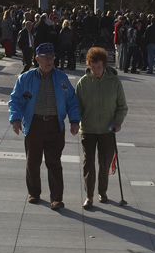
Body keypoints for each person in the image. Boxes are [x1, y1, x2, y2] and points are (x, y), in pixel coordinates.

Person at [8, 43, 81, 211]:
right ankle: (34, 193)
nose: (50, 61)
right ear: (37, 59)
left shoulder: (62, 78)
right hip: (34, 124)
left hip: (55, 125)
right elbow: (15, 100)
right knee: (32, 161)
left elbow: (72, 100)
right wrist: (16, 119)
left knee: (54, 162)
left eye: (52, 57)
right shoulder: (26, 78)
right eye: (46, 58)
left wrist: (74, 121)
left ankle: (56, 198)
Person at [76, 47, 128, 209]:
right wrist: (76, 121)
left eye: (99, 67)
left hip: (107, 130)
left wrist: (117, 122)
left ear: (104, 65)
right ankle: (89, 196)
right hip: (88, 129)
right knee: (88, 163)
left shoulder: (114, 82)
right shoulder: (83, 83)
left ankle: (102, 192)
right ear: (89, 65)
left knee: (104, 162)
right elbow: (77, 107)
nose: (96, 71)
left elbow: (122, 106)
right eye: (93, 67)